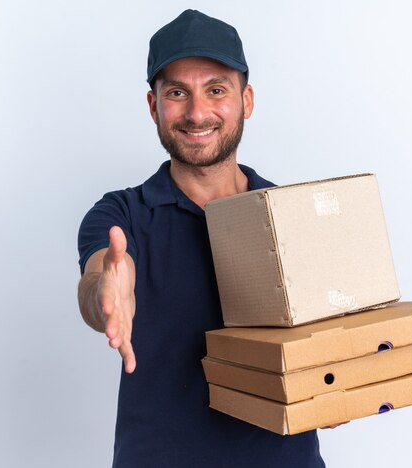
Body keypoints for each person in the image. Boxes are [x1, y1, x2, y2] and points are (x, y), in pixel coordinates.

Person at [77, 10, 327, 467]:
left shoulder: (290, 215)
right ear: (153, 106)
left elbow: (327, 349)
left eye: (216, 89)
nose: (197, 112)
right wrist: (107, 294)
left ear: (246, 100)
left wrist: (337, 388)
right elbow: (100, 279)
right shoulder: (120, 215)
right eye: (177, 93)